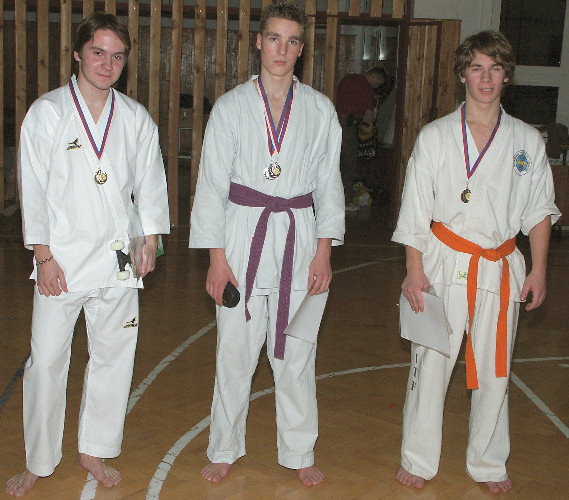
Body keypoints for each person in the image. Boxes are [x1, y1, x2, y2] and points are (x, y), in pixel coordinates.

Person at [6, 12, 170, 497]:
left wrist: (150, 240)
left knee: (114, 358)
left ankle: (93, 448)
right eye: (98, 52)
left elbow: (150, 185)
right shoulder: (48, 113)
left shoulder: (135, 117)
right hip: (60, 261)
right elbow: (32, 188)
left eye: (117, 56)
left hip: (118, 260)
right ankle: (39, 459)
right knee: (47, 361)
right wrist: (42, 255)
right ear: (78, 54)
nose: (107, 63)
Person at [392, 31, 560, 494]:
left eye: (495, 69)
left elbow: (539, 211)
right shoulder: (435, 136)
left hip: (500, 264)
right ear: (463, 75)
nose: (486, 79)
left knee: (495, 369)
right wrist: (414, 269)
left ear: (507, 76)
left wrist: (539, 269)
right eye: (477, 68)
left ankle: (487, 461)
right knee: (430, 364)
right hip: (442, 262)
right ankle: (418, 458)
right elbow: (414, 207)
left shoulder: (527, 140)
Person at [189, 1, 344, 487]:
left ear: (301, 49)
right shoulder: (231, 107)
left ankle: (299, 450)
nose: (282, 49)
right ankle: (224, 447)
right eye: (274, 38)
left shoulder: (320, 109)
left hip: (299, 235)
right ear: (259, 42)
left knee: (297, 352)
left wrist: (324, 250)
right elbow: (211, 187)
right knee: (234, 352)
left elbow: (329, 185)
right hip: (242, 237)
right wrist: (217, 261)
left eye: (292, 41)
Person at [336, 67, 386, 210]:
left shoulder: (348, 78)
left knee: (335, 165)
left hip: (335, 123)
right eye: (378, 84)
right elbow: (369, 117)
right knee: (349, 165)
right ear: (375, 77)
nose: (376, 87)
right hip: (349, 126)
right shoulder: (367, 88)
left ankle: (330, 201)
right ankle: (346, 202)